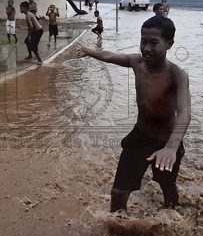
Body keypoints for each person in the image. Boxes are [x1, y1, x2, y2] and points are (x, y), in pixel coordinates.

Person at [76, 15, 191, 212]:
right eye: (143, 41)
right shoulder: (137, 63)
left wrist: (171, 148)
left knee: (167, 186)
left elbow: (184, 113)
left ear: (169, 44)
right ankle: (118, 227)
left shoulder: (177, 75)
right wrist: (87, 51)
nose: (146, 48)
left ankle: (172, 217)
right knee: (118, 192)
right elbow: (110, 56)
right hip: (140, 135)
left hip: (166, 139)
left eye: (154, 43)